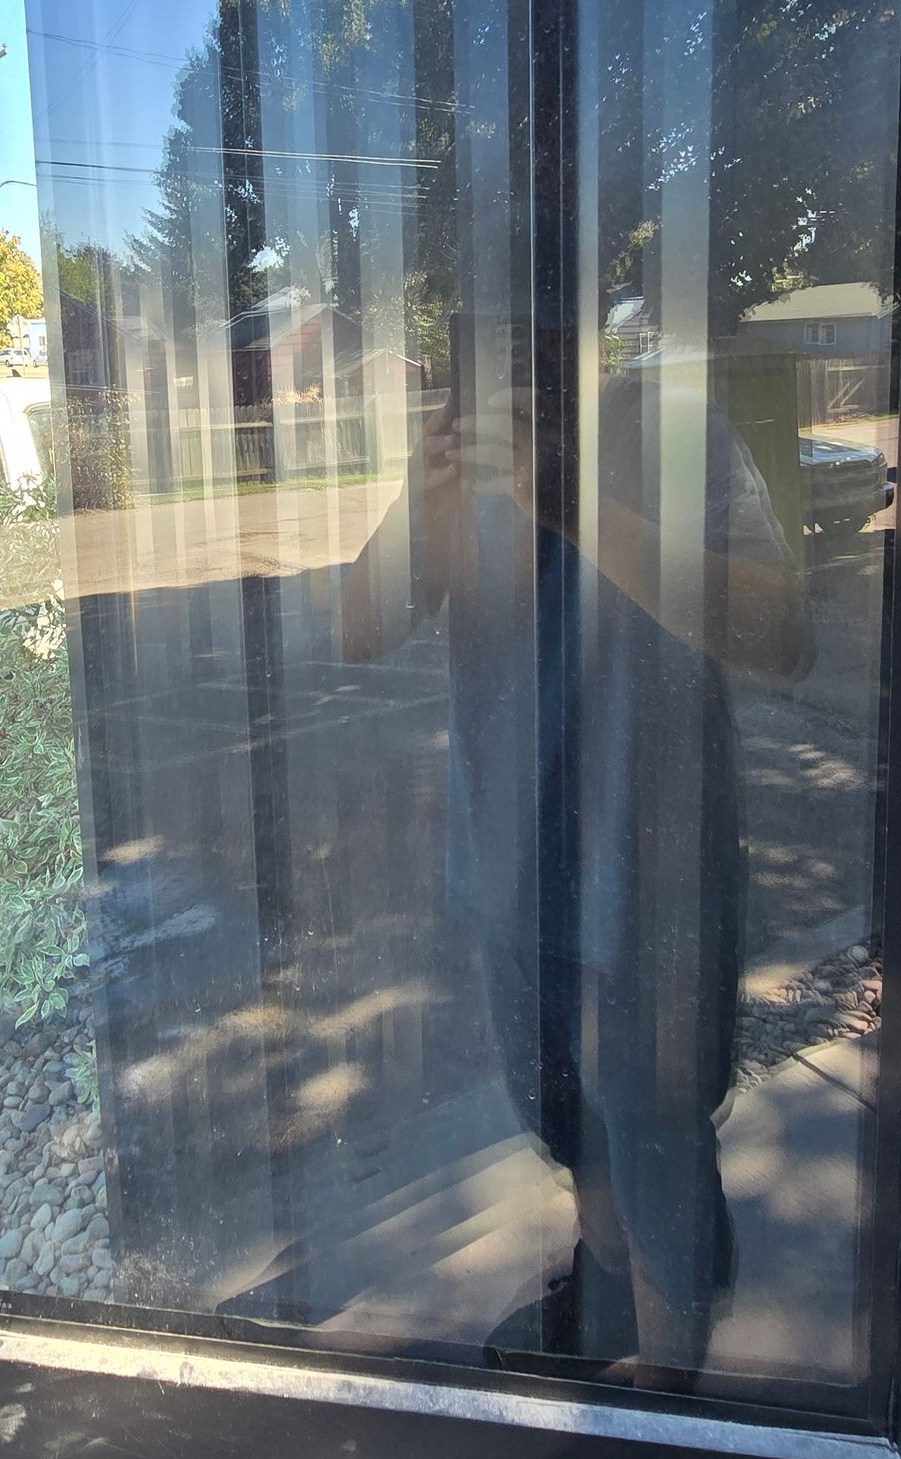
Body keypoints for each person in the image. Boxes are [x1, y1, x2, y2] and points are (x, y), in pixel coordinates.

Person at [341, 332, 811, 1380]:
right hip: (512, 882)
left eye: (539, 318)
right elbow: (358, 627)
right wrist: (422, 497)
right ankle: (606, 1287)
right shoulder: (467, 460)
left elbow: (785, 632)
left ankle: (672, 1376)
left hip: (654, 887)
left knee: (656, 1141)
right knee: (566, 1119)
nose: (516, 354)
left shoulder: (672, 430)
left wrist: (575, 506)